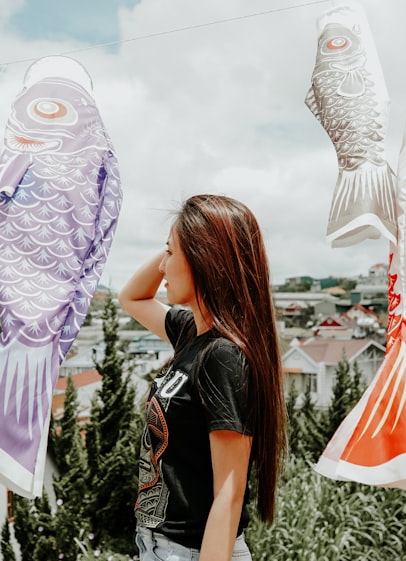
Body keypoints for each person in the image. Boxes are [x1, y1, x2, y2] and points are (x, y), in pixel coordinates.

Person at [120, 194, 287, 561]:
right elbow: (131, 297)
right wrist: (178, 238)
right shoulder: (189, 334)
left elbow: (229, 493)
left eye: (171, 253)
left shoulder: (222, 357)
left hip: (193, 553)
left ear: (203, 259)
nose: (163, 267)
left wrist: (188, 236)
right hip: (157, 545)